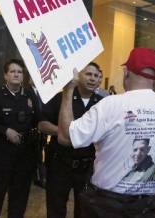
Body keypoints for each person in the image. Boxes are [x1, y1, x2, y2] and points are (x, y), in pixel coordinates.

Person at [58, 47, 155, 217]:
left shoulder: (110, 105)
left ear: (126, 72)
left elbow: (65, 137)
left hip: (105, 207)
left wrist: (67, 90)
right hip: (148, 208)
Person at [38, 62, 102, 218]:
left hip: (88, 168)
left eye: (96, 75)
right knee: (55, 209)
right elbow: (42, 124)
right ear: (78, 76)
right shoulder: (61, 97)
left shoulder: (102, 103)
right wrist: (65, 132)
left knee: (84, 210)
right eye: (88, 74)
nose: (92, 78)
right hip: (60, 165)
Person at [0, 59, 41, 218]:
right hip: (1, 156)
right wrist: (4, 131)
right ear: (5, 76)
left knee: (20, 198)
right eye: (12, 71)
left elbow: (38, 121)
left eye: (20, 72)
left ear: (23, 76)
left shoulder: (30, 95)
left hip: (25, 156)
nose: (16, 74)